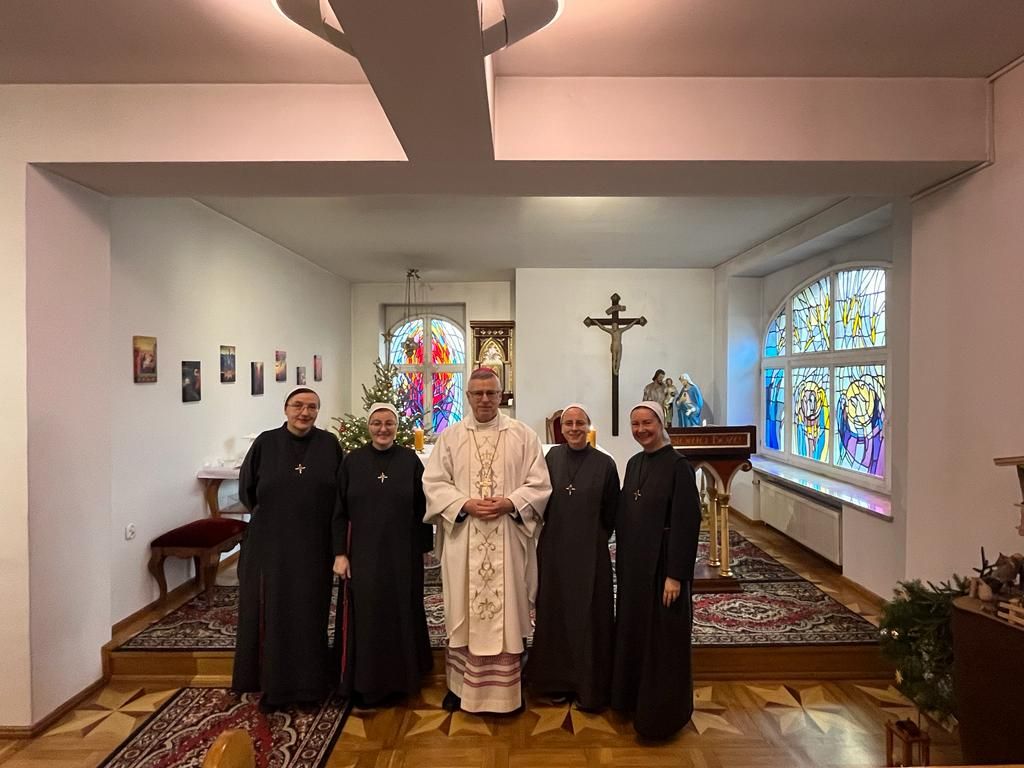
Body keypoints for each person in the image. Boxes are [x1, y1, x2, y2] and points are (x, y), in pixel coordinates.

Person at [423, 368, 552, 714]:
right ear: (468, 396)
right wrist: (463, 504)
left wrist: (511, 502)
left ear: (501, 396)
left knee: (508, 609)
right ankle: (459, 688)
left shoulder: (523, 436)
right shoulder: (450, 437)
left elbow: (539, 484)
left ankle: (507, 693)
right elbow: (434, 483)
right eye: (477, 393)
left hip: (507, 534)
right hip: (464, 536)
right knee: (461, 609)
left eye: (491, 393)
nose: (484, 400)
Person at [232, 387, 344, 711]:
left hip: (314, 545)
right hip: (271, 546)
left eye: (311, 407)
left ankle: (310, 688)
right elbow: (247, 490)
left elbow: (340, 494)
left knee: (310, 614)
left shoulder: (329, 444)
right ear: (286, 409)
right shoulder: (265, 443)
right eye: (298, 405)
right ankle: (274, 687)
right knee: (273, 614)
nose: (304, 413)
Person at [611, 401, 702, 739]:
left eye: (647, 423)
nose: (641, 430)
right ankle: (632, 702)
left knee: (662, 641)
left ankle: (662, 717)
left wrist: (675, 575)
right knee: (634, 633)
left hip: (664, 568)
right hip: (635, 566)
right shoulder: (634, 463)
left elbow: (687, 523)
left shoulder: (679, 466)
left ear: (661, 424)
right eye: (635, 424)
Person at [333, 403, 433, 706]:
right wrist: (340, 553)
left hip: (403, 553)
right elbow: (339, 511)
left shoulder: (410, 461)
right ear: (368, 426)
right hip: (362, 553)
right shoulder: (352, 462)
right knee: (367, 615)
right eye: (376, 423)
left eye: (389, 423)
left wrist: (423, 550)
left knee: (402, 611)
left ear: (397, 427)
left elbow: (423, 509)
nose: (383, 429)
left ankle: (402, 680)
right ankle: (366, 682)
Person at [529, 404, 618, 710]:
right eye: (569, 423)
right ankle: (555, 682)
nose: (574, 428)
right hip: (554, 549)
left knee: (590, 617)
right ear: (561, 428)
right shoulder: (550, 458)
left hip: (590, 552)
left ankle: (588, 686)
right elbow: (538, 499)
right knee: (555, 614)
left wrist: (591, 536)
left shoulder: (605, 463)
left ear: (588, 426)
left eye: (580, 423)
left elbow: (611, 512)